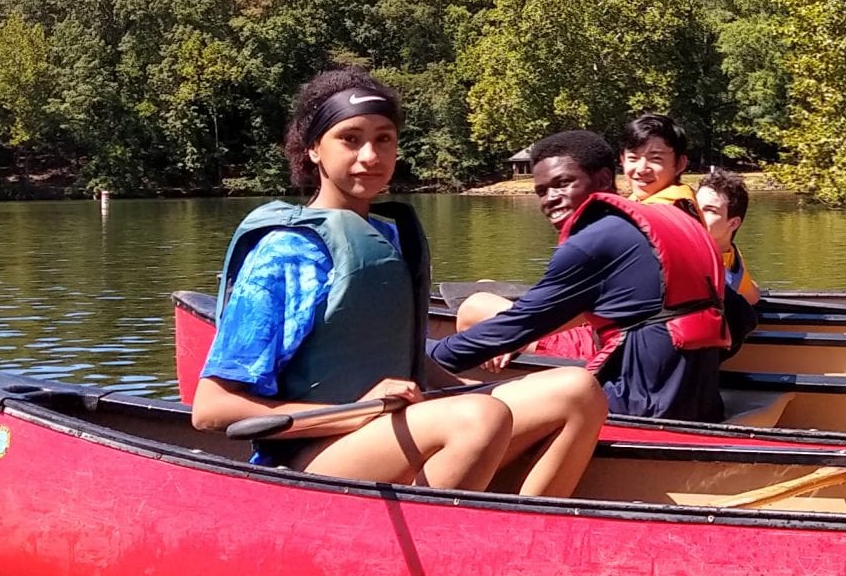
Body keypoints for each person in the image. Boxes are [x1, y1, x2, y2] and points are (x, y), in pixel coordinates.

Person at [192, 70, 516, 489]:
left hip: (388, 431)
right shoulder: (286, 252)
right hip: (309, 457)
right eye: (350, 138)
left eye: (384, 139)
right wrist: (353, 411)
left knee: (571, 390)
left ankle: (522, 528)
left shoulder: (387, 237)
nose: (371, 156)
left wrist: (469, 388)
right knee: (480, 417)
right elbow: (211, 409)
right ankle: (439, 542)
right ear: (313, 149)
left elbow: (394, 356)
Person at [432, 130, 732, 456]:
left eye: (563, 183)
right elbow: (740, 312)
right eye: (542, 191)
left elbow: (514, 326)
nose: (550, 199)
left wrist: (420, 364)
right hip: (702, 404)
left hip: (637, 409)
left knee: (477, 412)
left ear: (603, 179)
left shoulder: (595, 240)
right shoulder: (677, 218)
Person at [695, 165, 761, 351]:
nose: (697, 214)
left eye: (710, 210)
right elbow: (753, 295)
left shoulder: (731, 258)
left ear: (733, 223)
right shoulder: (731, 255)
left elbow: (753, 296)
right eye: (695, 206)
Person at [619, 113, 698, 208]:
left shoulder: (675, 212)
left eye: (655, 159)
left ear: (680, 164)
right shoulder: (635, 203)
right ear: (622, 160)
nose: (641, 170)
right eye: (633, 158)